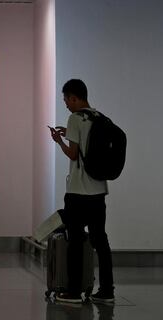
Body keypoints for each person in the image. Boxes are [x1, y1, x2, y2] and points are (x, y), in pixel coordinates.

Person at [49, 79, 115, 304]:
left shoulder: (75, 118)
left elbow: (74, 154)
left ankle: (73, 292)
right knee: (101, 241)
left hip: (78, 192)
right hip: (98, 191)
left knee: (75, 240)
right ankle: (107, 291)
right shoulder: (98, 118)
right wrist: (70, 133)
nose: (66, 104)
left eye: (66, 99)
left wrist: (59, 141)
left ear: (74, 97)